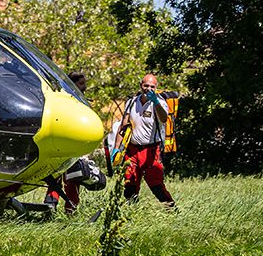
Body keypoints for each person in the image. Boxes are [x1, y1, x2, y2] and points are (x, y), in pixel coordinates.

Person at [44, 71, 107, 214]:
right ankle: (50, 206)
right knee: (56, 178)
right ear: (73, 84)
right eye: (81, 84)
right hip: (64, 145)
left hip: (75, 148)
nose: (84, 87)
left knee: (73, 179)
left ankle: (70, 209)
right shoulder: (65, 100)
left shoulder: (82, 100)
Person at [116, 73, 175, 207]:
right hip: (132, 150)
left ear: (156, 87)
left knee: (156, 185)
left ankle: (172, 210)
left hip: (151, 150)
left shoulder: (160, 103)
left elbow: (164, 118)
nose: (148, 88)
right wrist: (116, 148)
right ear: (141, 86)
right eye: (146, 85)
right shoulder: (131, 102)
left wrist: (155, 102)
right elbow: (123, 126)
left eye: (152, 86)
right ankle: (132, 211)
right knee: (130, 183)